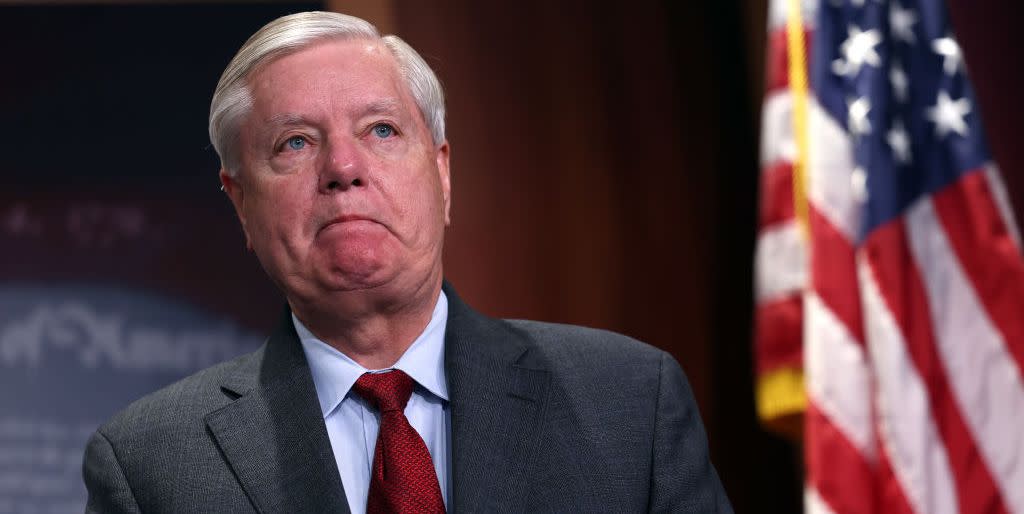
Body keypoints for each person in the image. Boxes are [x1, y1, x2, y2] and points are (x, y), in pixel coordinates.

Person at [82, 11, 732, 513]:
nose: (343, 169)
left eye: (381, 131)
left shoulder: (629, 403)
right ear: (241, 202)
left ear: (442, 173)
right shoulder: (150, 465)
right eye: (295, 143)